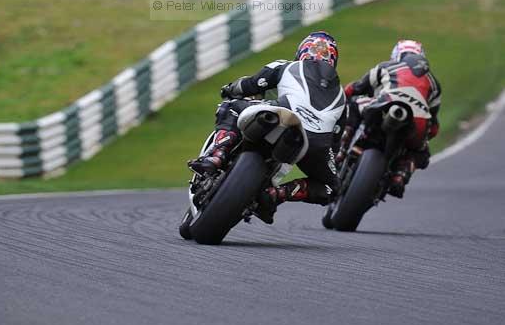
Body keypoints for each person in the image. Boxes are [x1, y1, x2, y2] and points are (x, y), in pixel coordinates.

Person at [189, 31, 346, 223]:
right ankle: (277, 194)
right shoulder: (342, 97)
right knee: (331, 188)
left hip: (281, 113)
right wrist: (325, 157)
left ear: (302, 52)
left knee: (230, 106)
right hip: (315, 142)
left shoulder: (285, 65)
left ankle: (217, 155)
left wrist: (229, 89)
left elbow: (249, 85)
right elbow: (335, 143)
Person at [338, 39, 441, 198]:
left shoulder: (387, 66)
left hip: (384, 106)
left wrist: (342, 97)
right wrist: (425, 136)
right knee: (422, 152)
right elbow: (433, 127)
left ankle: (341, 148)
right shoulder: (434, 84)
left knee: (353, 105)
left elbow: (356, 87)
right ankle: (401, 175)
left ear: (396, 55)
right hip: (418, 124)